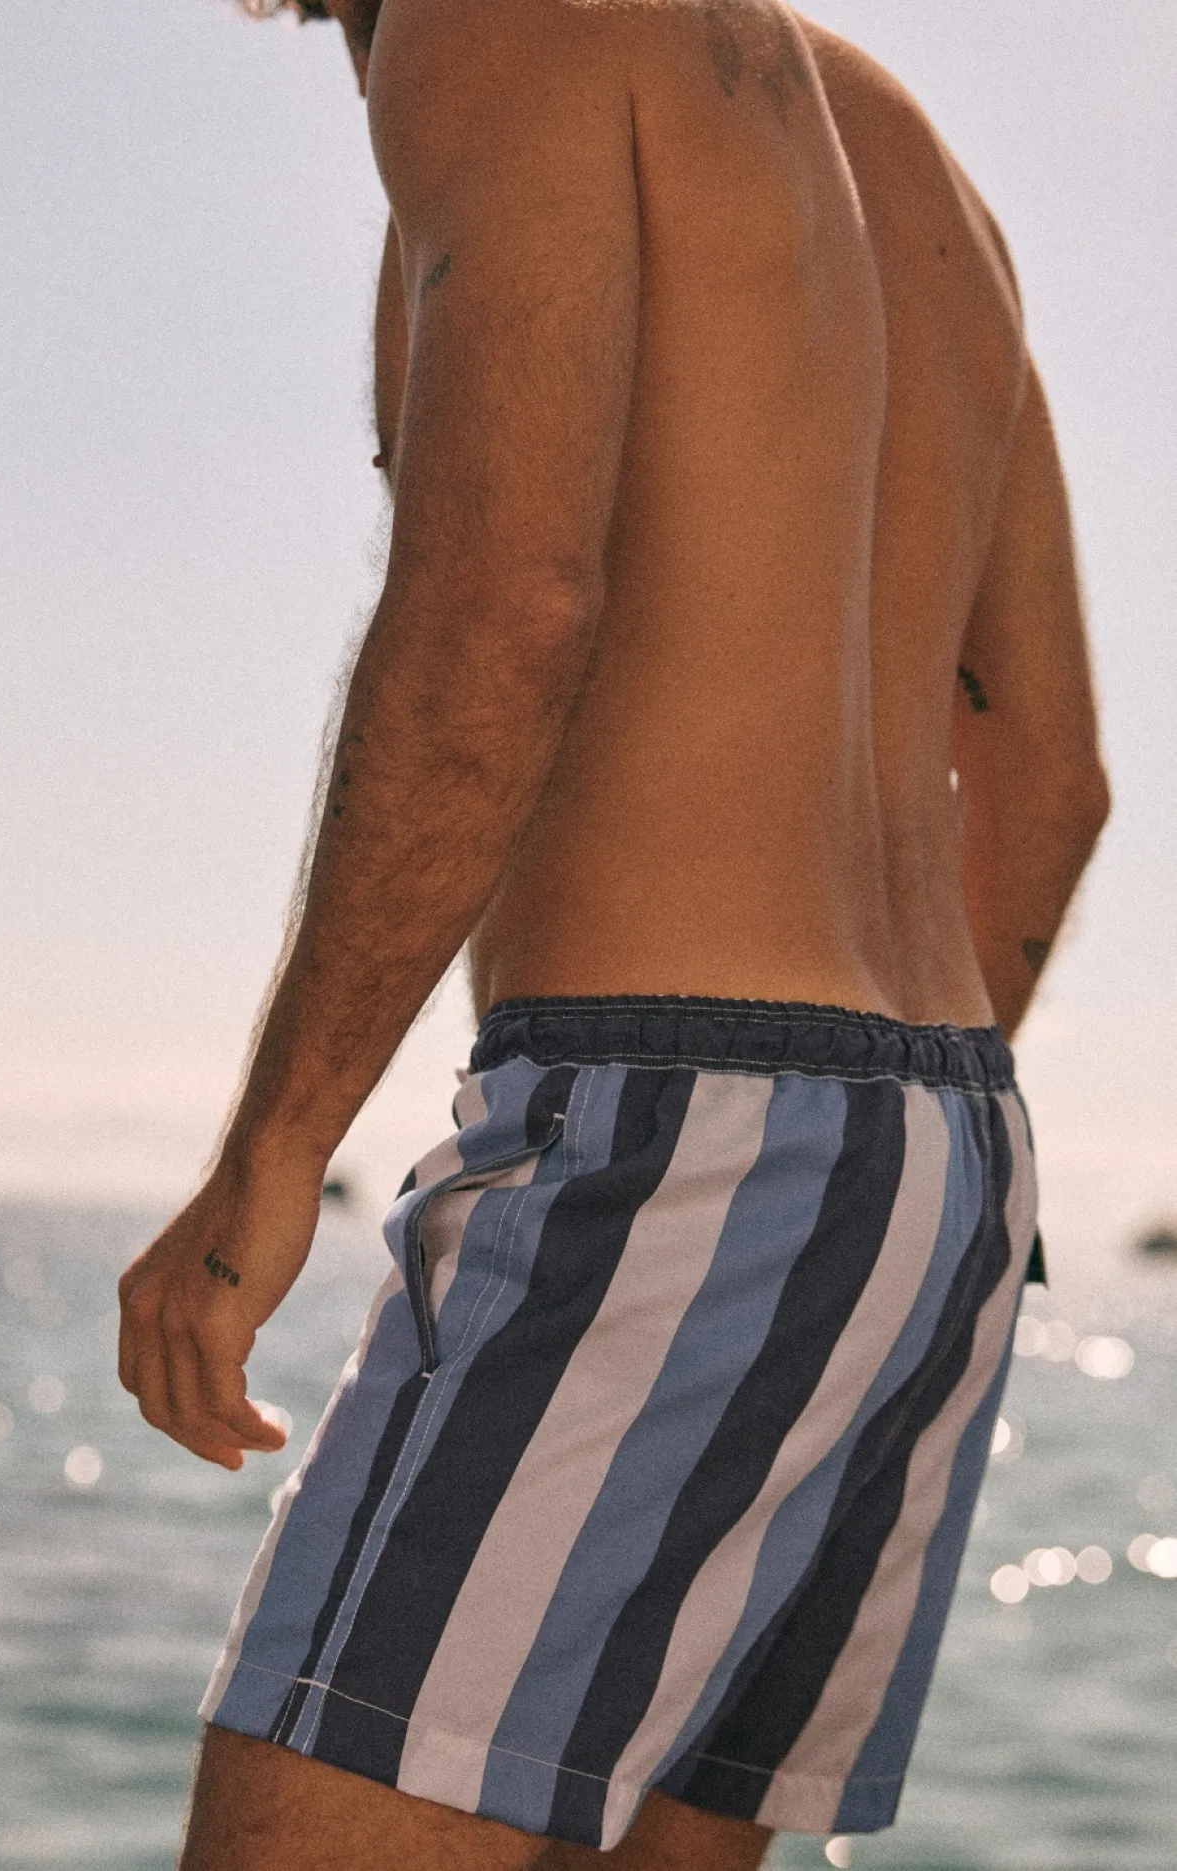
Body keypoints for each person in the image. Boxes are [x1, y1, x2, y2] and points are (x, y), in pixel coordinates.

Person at [117, 2, 1110, 1865]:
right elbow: (1050, 781)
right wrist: (855, 1168)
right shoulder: (917, 166)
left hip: (676, 1121)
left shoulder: (500, 17)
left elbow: (505, 597)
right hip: (948, 1160)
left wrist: (271, 1151)